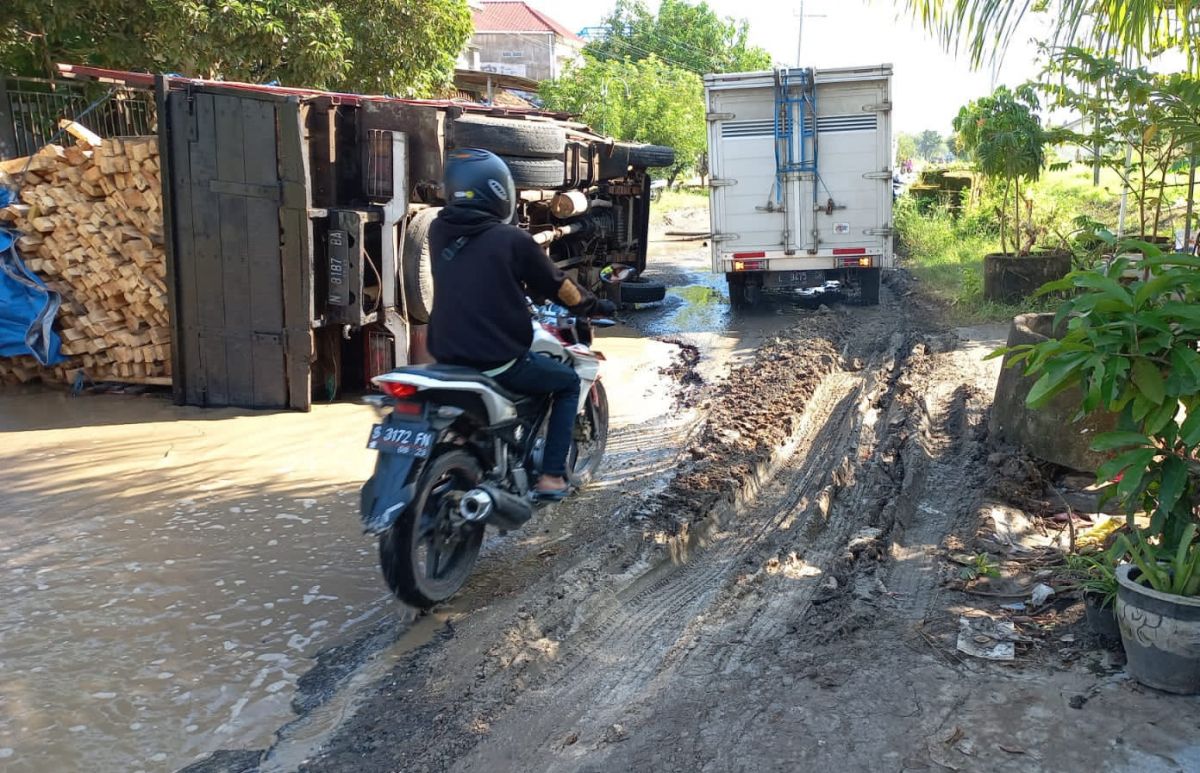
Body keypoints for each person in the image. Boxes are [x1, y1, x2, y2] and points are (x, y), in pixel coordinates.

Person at [427, 148, 615, 500]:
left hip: (447, 357)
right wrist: (592, 304)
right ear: (499, 191)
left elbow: (479, 273)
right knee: (566, 383)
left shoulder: (439, 232)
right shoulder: (512, 240)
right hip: (498, 360)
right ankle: (552, 477)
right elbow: (559, 286)